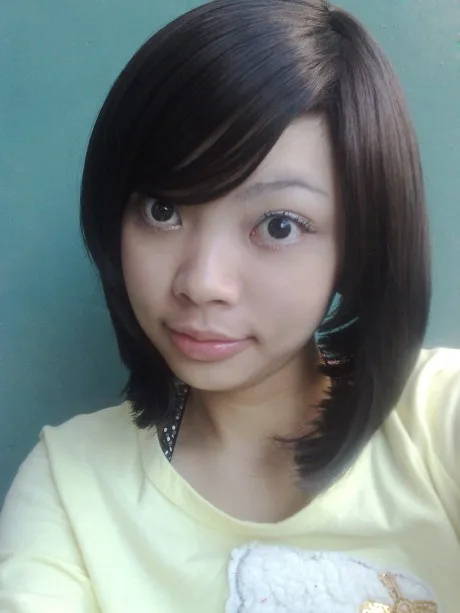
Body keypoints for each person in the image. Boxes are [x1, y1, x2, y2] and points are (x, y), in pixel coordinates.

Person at [0, 0, 458, 611]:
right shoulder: (70, 486)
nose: (202, 282)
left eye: (279, 225)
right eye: (163, 210)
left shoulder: (437, 419)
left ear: (358, 243)